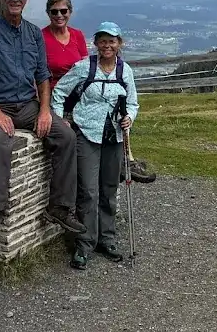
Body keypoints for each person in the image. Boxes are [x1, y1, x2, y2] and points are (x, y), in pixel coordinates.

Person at [0, 0, 86, 248]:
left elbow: (43, 76)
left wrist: (45, 110)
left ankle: (59, 207)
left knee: (66, 137)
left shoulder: (33, 34)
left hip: (28, 105)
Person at [52, 21, 139, 270]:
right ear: (96, 43)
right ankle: (85, 244)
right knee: (88, 191)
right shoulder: (84, 67)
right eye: (102, 41)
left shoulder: (125, 71)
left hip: (115, 136)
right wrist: (60, 120)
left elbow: (132, 103)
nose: (107, 45)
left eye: (111, 41)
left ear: (119, 43)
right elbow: (59, 92)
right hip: (87, 133)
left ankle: (106, 239)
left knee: (109, 188)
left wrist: (129, 117)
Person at [41, 0, 88, 91]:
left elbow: (85, 66)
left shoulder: (78, 35)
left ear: (70, 12)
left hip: (77, 91)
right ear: (48, 13)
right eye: (54, 12)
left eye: (63, 11)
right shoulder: (41, 37)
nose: (59, 15)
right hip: (52, 91)